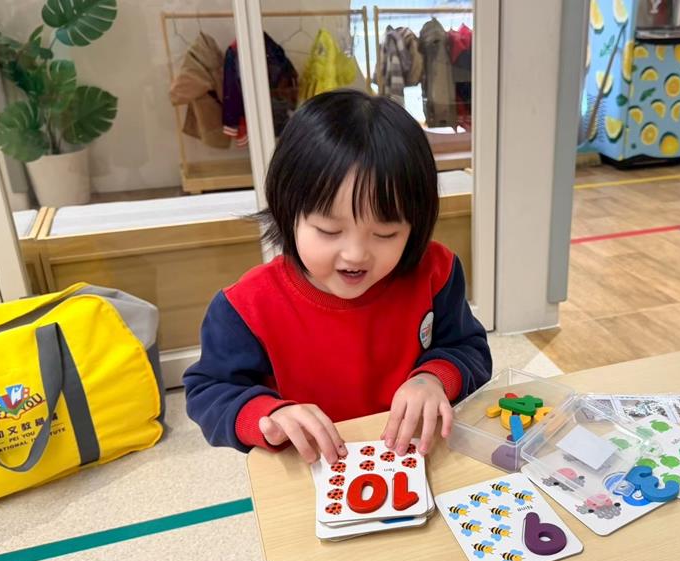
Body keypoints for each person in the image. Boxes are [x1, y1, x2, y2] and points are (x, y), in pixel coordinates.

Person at [183, 89, 491, 464]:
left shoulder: (435, 273)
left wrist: (434, 378)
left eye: (385, 234)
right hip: (312, 468)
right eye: (329, 231)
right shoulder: (245, 307)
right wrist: (268, 415)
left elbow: (470, 350)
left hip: (415, 458)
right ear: (288, 212)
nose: (355, 254)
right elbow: (209, 390)